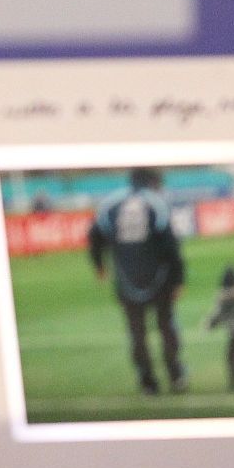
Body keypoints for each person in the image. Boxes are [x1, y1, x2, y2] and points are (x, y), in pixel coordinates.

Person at [87, 167, 186, 395]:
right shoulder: (156, 203)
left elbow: (95, 237)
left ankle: (147, 382)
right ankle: (175, 374)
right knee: (167, 327)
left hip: (126, 280)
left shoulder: (110, 204)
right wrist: (178, 279)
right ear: (152, 181)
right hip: (159, 280)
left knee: (137, 333)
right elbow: (170, 246)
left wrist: (99, 265)